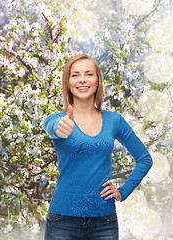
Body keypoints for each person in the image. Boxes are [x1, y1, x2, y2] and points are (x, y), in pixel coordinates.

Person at [43, 54, 153, 240]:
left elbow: (145, 159)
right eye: (75, 75)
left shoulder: (114, 120)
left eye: (89, 74)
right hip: (62, 221)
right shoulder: (57, 119)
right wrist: (59, 126)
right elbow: (50, 126)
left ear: (97, 81)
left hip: (104, 222)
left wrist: (123, 191)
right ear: (68, 82)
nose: (82, 80)